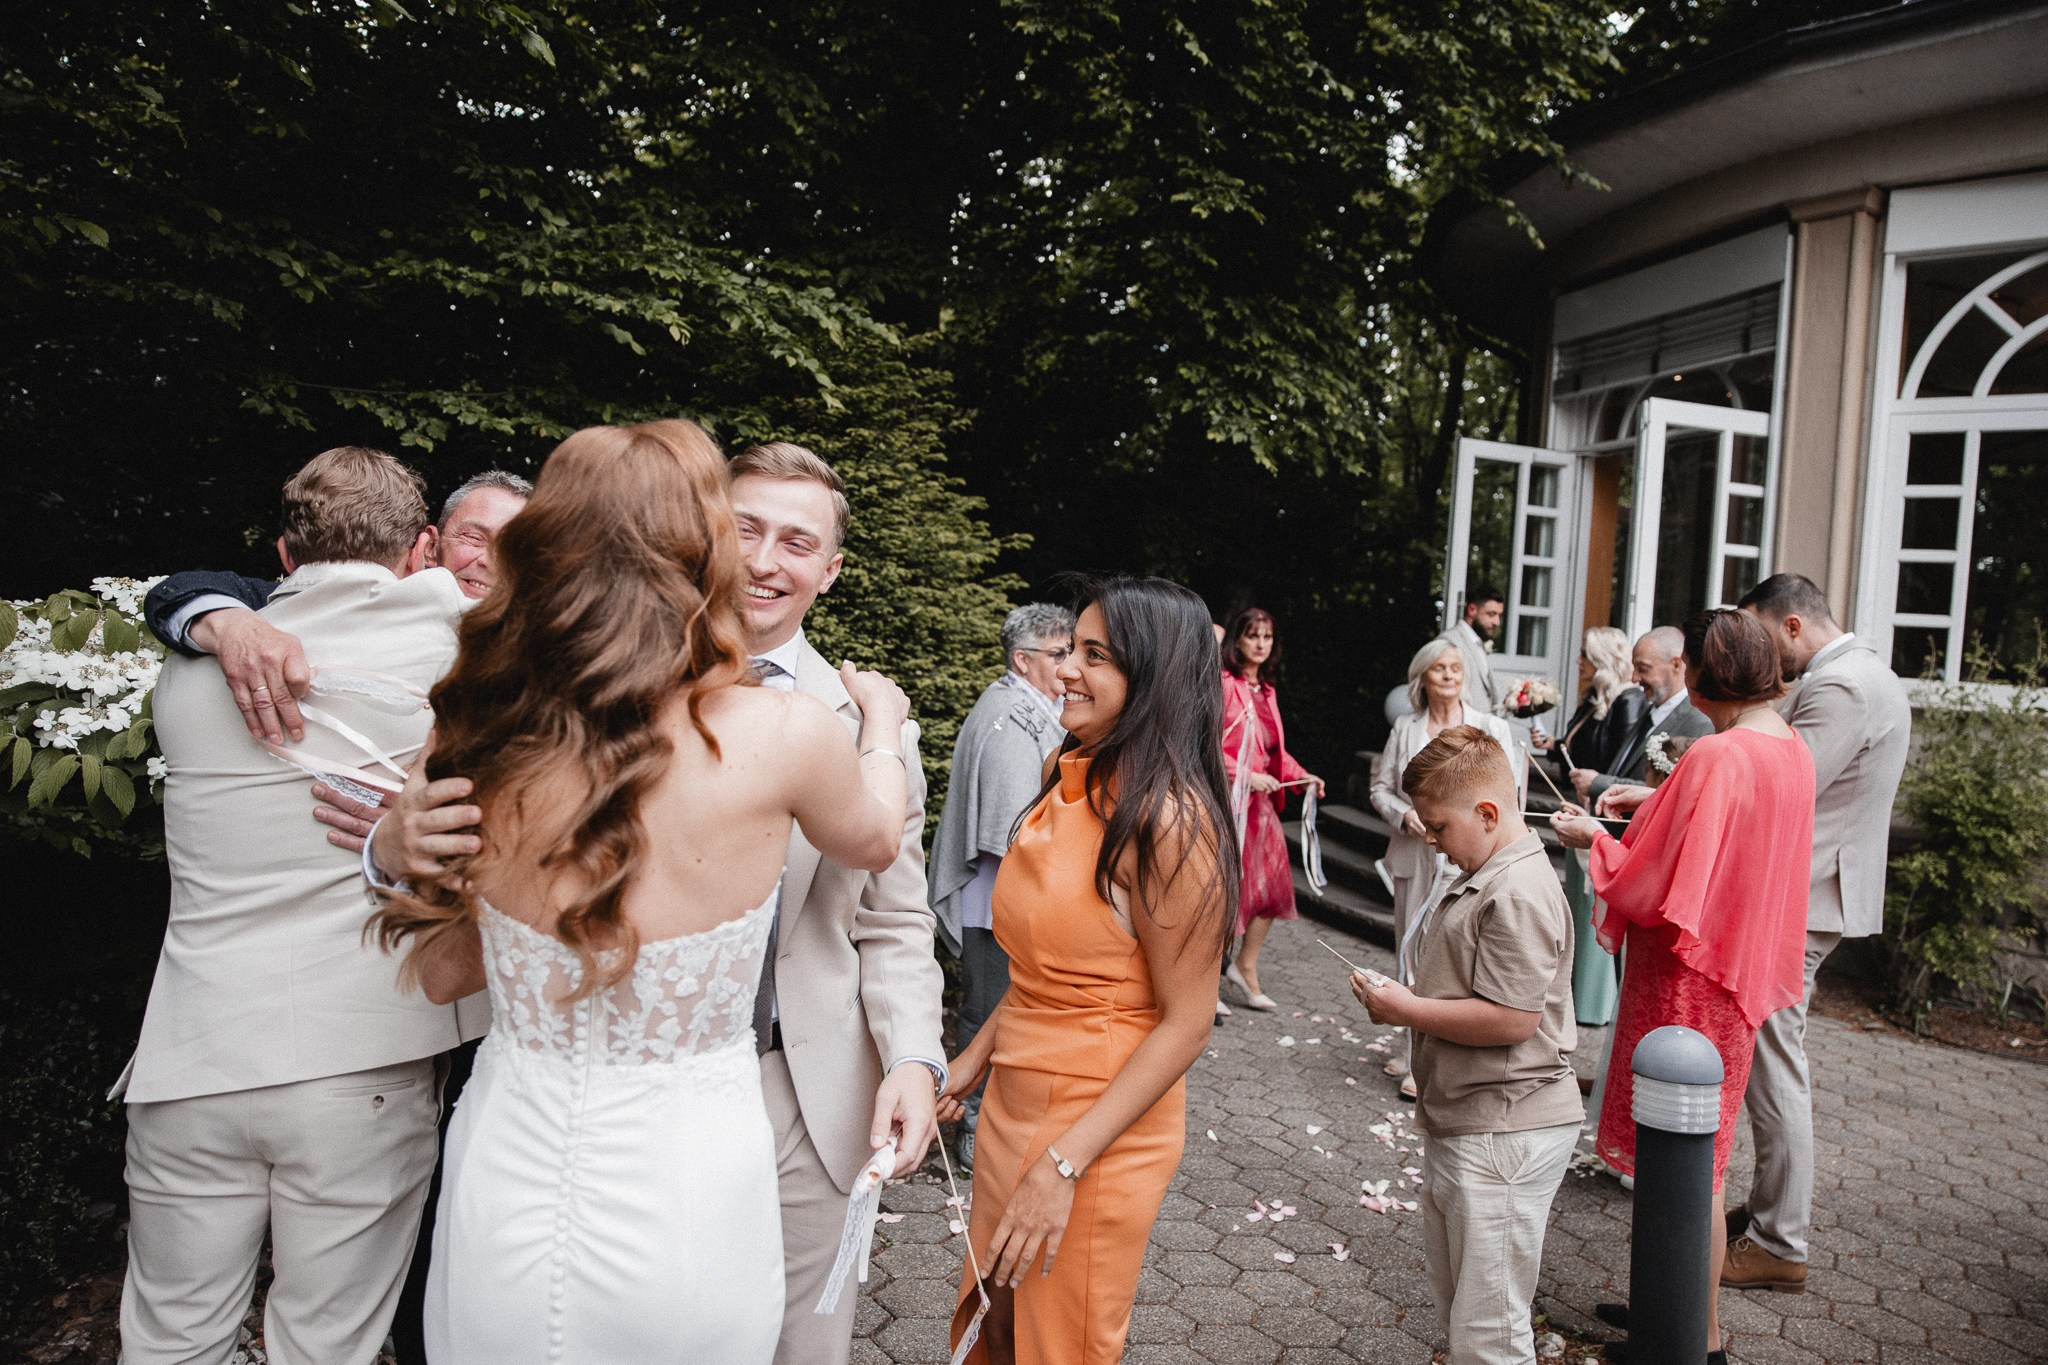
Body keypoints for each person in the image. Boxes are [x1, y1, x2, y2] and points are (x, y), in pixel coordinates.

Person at [372, 439, 947, 1365]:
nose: (765, 560)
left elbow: (893, 912)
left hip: (798, 1100)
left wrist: (915, 1056)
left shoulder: (486, 718)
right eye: (746, 529)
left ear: (832, 572)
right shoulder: (820, 733)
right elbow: (457, 958)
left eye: (797, 543)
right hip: (691, 1150)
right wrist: (387, 844)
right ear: (705, 546)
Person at [117, 447, 481, 1365]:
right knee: (327, 1344)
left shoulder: (195, 667)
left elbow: (184, 593)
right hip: (364, 1058)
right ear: (425, 546)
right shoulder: (468, 656)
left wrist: (215, 614)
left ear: (283, 555)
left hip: (190, 1058)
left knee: (169, 1337)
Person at [934, 577, 1235, 1365]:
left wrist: (1065, 1164)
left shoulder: (1170, 821)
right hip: (1012, 1105)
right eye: (1071, 648)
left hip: (1098, 1130)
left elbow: (1188, 1020)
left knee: (1056, 1344)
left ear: (1155, 678)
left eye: (1094, 656)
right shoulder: (1060, 778)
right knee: (994, 1324)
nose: (1067, 667)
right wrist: (968, 1064)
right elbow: (1046, 969)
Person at [1552, 608, 1815, 1363]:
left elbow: (1664, 878)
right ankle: (1671, 1314)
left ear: (1707, 671)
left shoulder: (1718, 753)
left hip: (1691, 973)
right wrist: (1651, 804)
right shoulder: (1789, 746)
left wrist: (1595, 838)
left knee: (1688, 1165)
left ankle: (1691, 1340)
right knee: (1703, 1156)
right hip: (1737, 970)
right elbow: (1723, 838)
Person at [1353, 725, 1582, 1365]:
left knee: (1491, 1327)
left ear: (1487, 813)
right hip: (1473, 1119)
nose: (1430, 839)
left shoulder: (1517, 889)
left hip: (1504, 1128)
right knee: (1466, 1303)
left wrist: (1407, 1009)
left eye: (1438, 826)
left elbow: (1513, 1019)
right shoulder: (1487, 865)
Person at [1723, 573, 1911, 1293]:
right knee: (1776, 1055)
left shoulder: (1843, 686)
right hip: (1814, 889)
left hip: (1804, 895)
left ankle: (1780, 1239)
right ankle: (1774, 1211)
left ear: (1793, 625)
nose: (1759, 658)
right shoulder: (1861, 673)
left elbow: (1781, 783)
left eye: (1762, 637)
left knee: (1774, 1061)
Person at [142, 470, 533, 750]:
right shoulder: (322, 602)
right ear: (430, 545)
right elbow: (177, 591)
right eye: (473, 537)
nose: (489, 561)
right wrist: (234, 627)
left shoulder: (542, 648)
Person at [929, 603, 1074, 1171]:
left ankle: (977, 1125)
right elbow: (1012, 829)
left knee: (998, 1014)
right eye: (1060, 654)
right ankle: (965, 1135)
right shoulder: (1010, 715)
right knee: (987, 1013)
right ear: (1023, 659)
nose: (1069, 667)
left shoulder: (1033, 707)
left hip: (1008, 899)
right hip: (995, 901)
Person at [1370, 637, 1522, 1100]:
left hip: (1465, 862)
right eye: (1440, 669)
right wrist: (1404, 814)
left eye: (1457, 667)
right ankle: (1411, 1041)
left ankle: (1437, 1049)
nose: (1451, 675)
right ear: (1423, 678)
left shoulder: (1486, 727)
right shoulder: (1407, 728)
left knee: (1450, 952)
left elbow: (1505, 793)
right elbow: (1381, 789)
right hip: (1414, 855)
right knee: (1410, 947)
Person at [1529, 626, 1644, 1028]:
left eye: (1584, 653)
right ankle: (1578, 996)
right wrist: (1553, 746)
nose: (1578, 660)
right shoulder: (1593, 698)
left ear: (1599, 656)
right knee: (1580, 901)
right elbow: (1577, 749)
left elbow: (1620, 764)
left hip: (1604, 811)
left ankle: (1595, 1003)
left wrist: (1597, 787)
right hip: (1585, 805)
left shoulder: (1628, 701)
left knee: (1597, 899)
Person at [1218, 607, 1324, 1012]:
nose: (1260, 644)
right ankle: (1206, 979)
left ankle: (1245, 965)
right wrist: (1243, 775)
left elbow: (1272, 754)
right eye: (1252, 636)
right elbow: (1205, 744)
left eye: (1267, 637)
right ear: (1238, 641)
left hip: (1261, 806)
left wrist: (1305, 775)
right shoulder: (1224, 685)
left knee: (1272, 891)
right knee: (1226, 891)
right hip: (1231, 803)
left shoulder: (1267, 690)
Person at [1577, 626, 1713, 810]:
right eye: (1634, 668)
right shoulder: (1648, 710)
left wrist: (1599, 783)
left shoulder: (1699, 723)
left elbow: (1674, 791)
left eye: (1643, 669)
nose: (1634, 678)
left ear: (1676, 664)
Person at [1439, 584, 1505, 713]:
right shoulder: (1449, 642)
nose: (1497, 622)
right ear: (1472, 610)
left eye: (1499, 615)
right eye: (1491, 614)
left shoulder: (1477, 642)